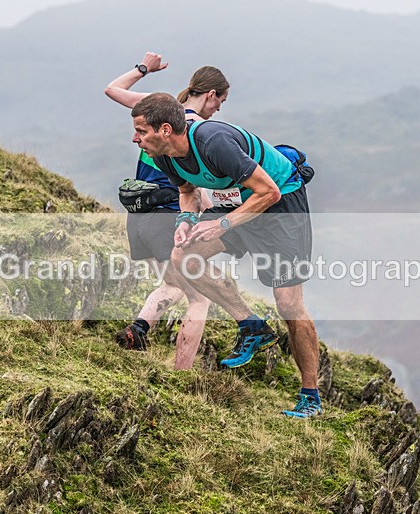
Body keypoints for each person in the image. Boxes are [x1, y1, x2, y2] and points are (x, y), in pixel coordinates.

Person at [130, 92, 322, 418]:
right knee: (183, 257)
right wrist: (185, 220)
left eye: (141, 131)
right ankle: (252, 326)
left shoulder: (212, 142)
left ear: (165, 129)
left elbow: (269, 192)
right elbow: (187, 192)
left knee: (288, 303)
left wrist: (221, 224)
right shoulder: (164, 155)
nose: (135, 138)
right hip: (238, 206)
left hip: (281, 206)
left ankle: (311, 397)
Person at [104, 53, 229, 369]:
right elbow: (194, 187)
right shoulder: (196, 129)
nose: (219, 108)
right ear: (211, 95)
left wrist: (144, 68)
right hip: (168, 216)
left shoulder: (158, 105)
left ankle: (139, 330)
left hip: (138, 217)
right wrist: (218, 220)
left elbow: (113, 89)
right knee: (200, 297)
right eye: (221, 101)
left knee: (174, 283)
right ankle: (182, 374)